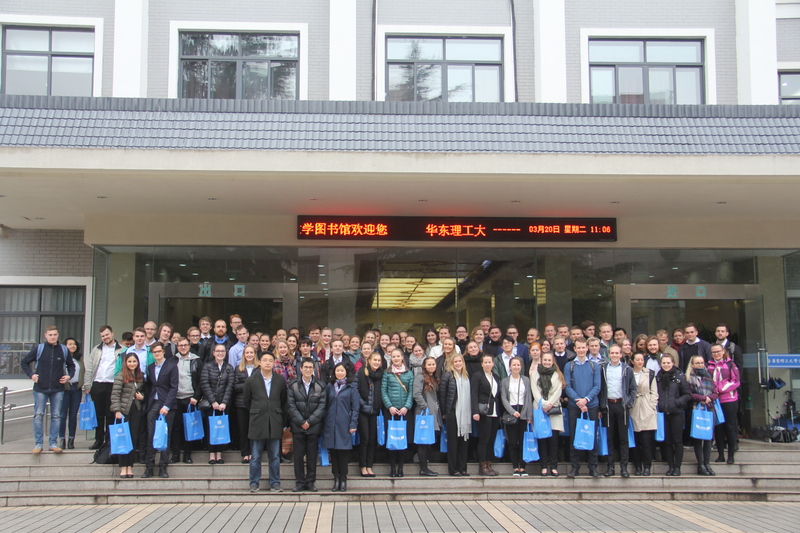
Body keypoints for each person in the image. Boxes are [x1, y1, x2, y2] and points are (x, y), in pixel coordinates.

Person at [21, 325, 75, 454]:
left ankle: (53, 443)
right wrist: (31, 375)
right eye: (50, 335)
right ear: (46, 335)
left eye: (55, 334)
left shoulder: (63, 349)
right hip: (40, 388)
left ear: (58, 335)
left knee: (56, 416)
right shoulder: (39, 348)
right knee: (38, 415)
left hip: (58, 388)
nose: (53, 337)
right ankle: (38, 444)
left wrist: (69, 376)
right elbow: (24, 362)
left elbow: (71, 365)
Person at [244, 351, 288, 492]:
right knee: (256, 455)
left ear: (274, 363)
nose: (268, 363)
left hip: (274, 420)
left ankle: (275, 482)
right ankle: (254, 483)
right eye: (265, 360)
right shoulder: (251, 380)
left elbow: (283, 400)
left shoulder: (280, 380)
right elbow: (247, 401)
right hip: (257, 421)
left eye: (270, 360)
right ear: (259, 362)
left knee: (274, 455)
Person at [83, 325, 127, 450]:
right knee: (98, 414)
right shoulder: (96, 349)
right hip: (98, 384)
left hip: (113, 384)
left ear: (112, 334)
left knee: (110, 414)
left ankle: (109, 440)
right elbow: (90, 367)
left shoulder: (122, 349)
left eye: (107, 334)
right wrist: (87, 385)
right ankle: (98, 440)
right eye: (103, 336)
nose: (105, 337)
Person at [287, 358, 327, 492]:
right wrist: (301, 421)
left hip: (313, 426)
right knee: (298, 456)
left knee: (311, 456)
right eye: (306, 367)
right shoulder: (293, 385)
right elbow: (291, 405)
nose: (308, 370)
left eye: (310, 367)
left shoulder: (320, 385)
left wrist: (309, 421)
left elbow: (322, 406)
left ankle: (310, 482)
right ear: (301, 369)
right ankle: (299, 482)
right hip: (297, 425)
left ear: (314, 369)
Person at [563, 337, 601, 478]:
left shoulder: (594, 366)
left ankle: (593, 467)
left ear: (587, 348)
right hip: (574, 406)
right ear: (575, 349)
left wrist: (586, 400)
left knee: (591, 435)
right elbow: (567, 386)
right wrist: (578, 401)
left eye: (583, 347)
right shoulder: (569, 366)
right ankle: (575, 467)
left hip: (591, 405)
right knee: (574, 436)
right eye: (578, 347)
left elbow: (597, 385)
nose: (581, 350)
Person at [599, 344, 637, 478]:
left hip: (622, 405)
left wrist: (629, 402)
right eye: (612, 353)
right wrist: (601, 406)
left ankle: (624, 467)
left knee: (623, 438)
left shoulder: (627, 369)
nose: (614, 355)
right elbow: (600, 388)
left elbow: (633, 388)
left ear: (621, 355)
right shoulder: (603, 368)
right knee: (609, 438)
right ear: (609, 354)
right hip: (608, 405)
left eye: (617, 353)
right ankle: (610, 467)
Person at [142, 342, 178, 478]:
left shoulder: (172, 366)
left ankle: (163, 467)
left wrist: (167, 406)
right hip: (154, 403)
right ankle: (149, 467)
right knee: (151, 435)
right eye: (154, 352)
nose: (156, 354)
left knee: (164, 436)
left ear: (163, 352)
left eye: (158, 351)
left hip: (167, 405)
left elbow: (174, 387)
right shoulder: (150, 367)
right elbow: (150, 386)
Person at [323, 362, 360, 492]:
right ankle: (336, 478)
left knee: (343, 453)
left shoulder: (351, 387)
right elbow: (325, 405)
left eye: (342, 371)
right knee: (333, 453)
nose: (339, 373)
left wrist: (353, 424)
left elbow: (355, 408)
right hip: (330, 424)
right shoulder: (330, 387)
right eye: (337, 370)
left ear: (346, 372)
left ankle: (343, 479)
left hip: (344, 424)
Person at [110, 353, 146, 478]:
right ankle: (122, 467)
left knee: (133, 438)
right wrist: (117, 410)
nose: (132, 364)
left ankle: (130, 466)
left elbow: (144, 392)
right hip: (123, 411)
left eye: (134, 361)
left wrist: (142, 397)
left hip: (136, 409)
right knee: (123, 438)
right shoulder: (120, 375)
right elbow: (115, 394)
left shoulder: (140, 375)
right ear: (125, 363)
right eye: (129, 361)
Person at [656, 354, 691, 476]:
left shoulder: (679, 377)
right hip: (663, 413)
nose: (666, 365)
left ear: (673, 363)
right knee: (667, 441)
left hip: (676, 413)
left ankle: (677, 467)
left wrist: (677, 402)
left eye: (668, 363)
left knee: (677, 440)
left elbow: (687, 394)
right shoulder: (658, 378)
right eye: (664, 363)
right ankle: (670, 466)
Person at [531, 352, 565, 477]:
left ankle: (554, 467)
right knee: (542, 439)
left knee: (554, 440)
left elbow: (558, 391)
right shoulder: (534, 374)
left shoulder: (558, 375)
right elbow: (535, 391)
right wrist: (543, 404)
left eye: (549, 360)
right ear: (541, 361)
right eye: (545, 360)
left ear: (552, 361)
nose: (547, 362)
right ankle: (544, 466)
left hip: (554, 408)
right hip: (540, 409)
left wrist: (549, 403)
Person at [382, 348, 414, 478]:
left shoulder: (409, 373)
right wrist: (389, 406)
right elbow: (383, 391)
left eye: (398, 356)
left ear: (402, 357)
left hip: (404, 412)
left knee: (402, 438)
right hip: (391, 412)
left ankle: (401, 467)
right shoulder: (387, 373)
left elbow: (411, 392)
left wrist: (406, 407)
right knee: (392, 439)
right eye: (393, 356)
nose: (396, 358)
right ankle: (392, 468)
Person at [201, 343, 234, 465]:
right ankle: (211, 454)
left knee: (221, 428)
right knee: (211, 428)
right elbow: (205, 384)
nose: (220, 353)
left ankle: (219, 454)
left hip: (224, 405)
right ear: (213, 353)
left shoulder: (229, 368)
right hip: (211, 404)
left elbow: (230, 386)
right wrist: (213, 402)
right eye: (218, 351)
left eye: (222, 351)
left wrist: (224, 402)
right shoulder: (207, 366)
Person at [171, 337, 202, 464]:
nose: (183, 347)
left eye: (185, 345)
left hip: (190, 399)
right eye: (180, 345)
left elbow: (201, 381)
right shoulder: (172, 360)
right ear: (177, 347)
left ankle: (187, 455)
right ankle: (175, 454)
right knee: (176, 428)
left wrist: (196, 397)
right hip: (176, 398)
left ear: (189, 346)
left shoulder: (197, 360)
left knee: (190, 427)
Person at [439, 353, 471, 476]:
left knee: (464, 441)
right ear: (452, 363)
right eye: (456, 362)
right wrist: (444, 412)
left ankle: (462, 467)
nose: (458, 364)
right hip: (452, 412)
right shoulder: (447, 376)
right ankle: (453, 469)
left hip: (465, 414)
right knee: (453, 442)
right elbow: (442, 396)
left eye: (460, 361)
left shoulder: (466, 376)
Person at [500, 356, 533, 477]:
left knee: (523, 441)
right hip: (511, 412)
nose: (516, 367)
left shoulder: (526, 380)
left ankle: (523, 467)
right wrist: (512, 412)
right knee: (512, 442)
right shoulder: (505, 381)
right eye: (514, 365)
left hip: (524, 412)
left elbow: (528, 398)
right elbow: (503, 398)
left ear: (521, 366)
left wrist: (527, 414)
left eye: (518, 365)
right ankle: (515, 467)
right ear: (510, 367)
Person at [685, 355, 718, 476]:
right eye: (697, 363)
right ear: (692, 364)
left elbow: (715, 392)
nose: (700, 365)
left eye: (701, 363)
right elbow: (689, 394)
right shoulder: (688, 378)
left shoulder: (708, 376)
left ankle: (707, 463)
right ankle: (700, 464)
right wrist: (702, 398)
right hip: (695, 409)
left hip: (709, 409)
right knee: (698, 437)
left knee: (708, 438)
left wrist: (709, 398)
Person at [708, 344, 740, 465]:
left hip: (729, 399)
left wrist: (719, 389)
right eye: (713, 352)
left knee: (729, 427)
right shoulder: (708, 365)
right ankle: (720, 455)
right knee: (718, 428)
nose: (716, 354)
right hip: (715, 400)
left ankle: (731, 455)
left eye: (718, 351)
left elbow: (735, 381)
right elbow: (707, 381)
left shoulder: (730, 364)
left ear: (723, 351)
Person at [471, 354, 501, 476]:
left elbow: (497, 396)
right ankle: (482, 465)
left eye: (490, 362)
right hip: (483, 412)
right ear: (482, 364)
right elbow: (473, 394)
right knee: (484, 439)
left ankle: (489, 464)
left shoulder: (495, 376)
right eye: (485, 362)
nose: (488, 364)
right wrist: (475, 411)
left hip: (494, 411)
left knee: (491, 439)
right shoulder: (477, 376)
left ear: (493, 364)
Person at [629, 352, 658, 476]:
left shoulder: (650, 373)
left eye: (642, 359)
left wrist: (652, 405)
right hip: (633, 407)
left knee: (646, 440)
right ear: (632, 361)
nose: (640, 362)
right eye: (637, 359)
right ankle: (637, 466)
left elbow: (654, 392)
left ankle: (647, 466)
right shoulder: (628, 372)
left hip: (646, 407)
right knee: (635, 440)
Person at [413, 356, 441, 476]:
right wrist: (425, 407)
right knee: (423, 441)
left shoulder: (434, 377)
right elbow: (416, 394)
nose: (431, 366)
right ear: (424, 366)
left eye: (433, 364)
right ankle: (423, 468)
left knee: (428, 441)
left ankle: (425, 466)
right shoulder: (420, 377)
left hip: (432, 413)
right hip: (424, 414)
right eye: (429, 364)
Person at [357, 351, 384, 477]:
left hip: (375, 410)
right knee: (365, 439)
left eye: (379, 360)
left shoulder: (381, 374)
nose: (377, 362)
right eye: (375, 360)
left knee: (373, 440)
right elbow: (355, 390)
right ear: (369, 361)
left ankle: (369, 466)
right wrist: (362, 404)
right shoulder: (361, 372)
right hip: (363, 410)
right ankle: (362, 466)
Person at [233, 345, 258, 464]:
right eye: (247, 353)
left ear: (254, 354)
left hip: (256, 403)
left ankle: (253, 452)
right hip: (241, 403)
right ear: (244, 355)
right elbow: (235, 386)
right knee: (243, 429)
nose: (249, 355)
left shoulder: (259, 368)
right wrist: (248, 385)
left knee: (254, 429)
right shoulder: (238, 368)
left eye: (251, 352)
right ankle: (245, 453)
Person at [59, 337, 84, 450]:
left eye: (74, 344)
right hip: (64, 389)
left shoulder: (79, 359)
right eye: (69, 344)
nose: (72, 346)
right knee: (62, 415)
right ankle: (62, 439)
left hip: (76, 388)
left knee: (73, 415)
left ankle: (71, 440)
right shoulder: (61, 358)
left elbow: (83, 372)